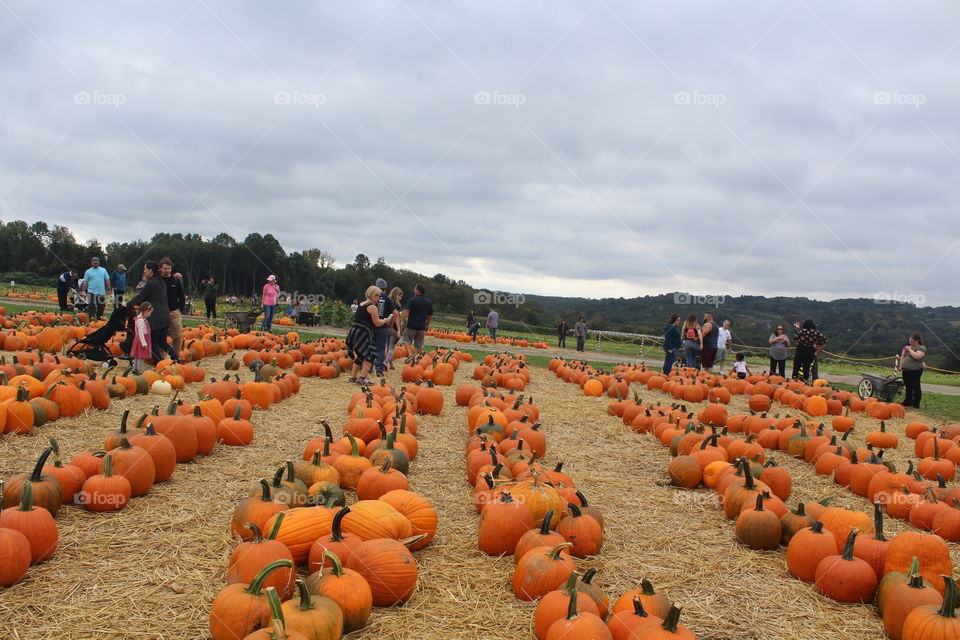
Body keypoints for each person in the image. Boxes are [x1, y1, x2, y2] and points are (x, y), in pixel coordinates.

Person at [125, 261, 170, 363]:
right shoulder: (161, 281)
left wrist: (127, 304)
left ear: (150, 270)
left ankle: (159, 363)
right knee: (162, 342)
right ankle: (175, 357)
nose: (144, 271)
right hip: (164, 314)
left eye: (145, 269)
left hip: (155, 315)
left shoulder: (151, 282)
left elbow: (141, 297)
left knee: (152, 342)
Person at [346, 286, 392, 384]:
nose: (379, 298)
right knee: (371, 355)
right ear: (373, 295)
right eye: (378, 296)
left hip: (354, 331)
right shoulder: (372, 307)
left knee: (361, 355)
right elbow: (377, 323)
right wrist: (386, 320)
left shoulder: (361, 304)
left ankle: (353, 378)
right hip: (363, 333)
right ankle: (362, 378)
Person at [371, 278, 398, 376]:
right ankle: (379, 369)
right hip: (383, 326)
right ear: (385, 288)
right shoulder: (387, 299)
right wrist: (390, 324)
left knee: (371, 346)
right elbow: (395, 313)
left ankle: (369, 367)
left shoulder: (371, 297)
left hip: (372, 325)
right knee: (381, 348)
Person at [159, 258, 184, 359]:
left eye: (169, 268)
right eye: (165, 268)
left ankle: (176, 357)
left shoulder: (175, 280)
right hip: (160, 312)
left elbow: (181, 296)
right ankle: (160, 359)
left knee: (177, 336)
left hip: (173, 311)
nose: (167, 270)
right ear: (160, 268)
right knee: (160, 337)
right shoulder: (157, 280)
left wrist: (180, 310)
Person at [402, 283, 433, 359]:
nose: (414, 290)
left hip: (411, 325)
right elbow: (430, 316)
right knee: (419, 345)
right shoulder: (428, 302)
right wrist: (427, 325)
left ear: (417, 290)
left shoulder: (412, 300)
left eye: (415, 289)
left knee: (406, 340)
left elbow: (406, 311)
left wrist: (403, 321)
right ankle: (422, 360)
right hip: (422, 327)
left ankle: (410, 355)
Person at [898, 333, 927, 409]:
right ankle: (907, 402)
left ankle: (915, 404)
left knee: (915, 387)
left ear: (917, 341)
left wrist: (909, 349)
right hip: (906, 370)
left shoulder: (921, 348)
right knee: (908, 387)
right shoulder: (909, 347)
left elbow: (917, 356)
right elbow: (903, 356)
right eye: (909, 341)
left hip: (915, 370)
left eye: (912, 341)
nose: (910, 342)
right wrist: (901, 365)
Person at [130, 302, 153, 374]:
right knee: (140, 357)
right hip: (141, 341)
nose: (150, 314)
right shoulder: (141, 320)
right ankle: (138, 371)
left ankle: (135, 369)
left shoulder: (141, 318)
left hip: (141, 340)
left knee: (138, 356)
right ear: (146, 311)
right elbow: (140, 333)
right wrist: (144, 343)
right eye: (150, 313)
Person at [385, 287, 404, 367]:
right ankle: (385, 362)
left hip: (386, 325)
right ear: (397, 295)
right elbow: (397, 317)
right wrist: (399, 329)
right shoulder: (396, 305)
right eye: (400, 296)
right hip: (394, 327)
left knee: (387, 346)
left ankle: (391, 363)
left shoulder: (387, 302)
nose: (401, 298)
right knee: (392, 347)